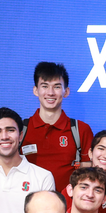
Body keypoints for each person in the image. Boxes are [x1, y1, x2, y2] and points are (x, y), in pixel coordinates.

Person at [24, 62, 94, 190]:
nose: (50, 93)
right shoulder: (21, 130)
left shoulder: (81, 130)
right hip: (28, 206)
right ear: (35, 90)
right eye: (44, 86)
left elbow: (87, 177)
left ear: (66, 91)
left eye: (56, 87)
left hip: (67, 207)